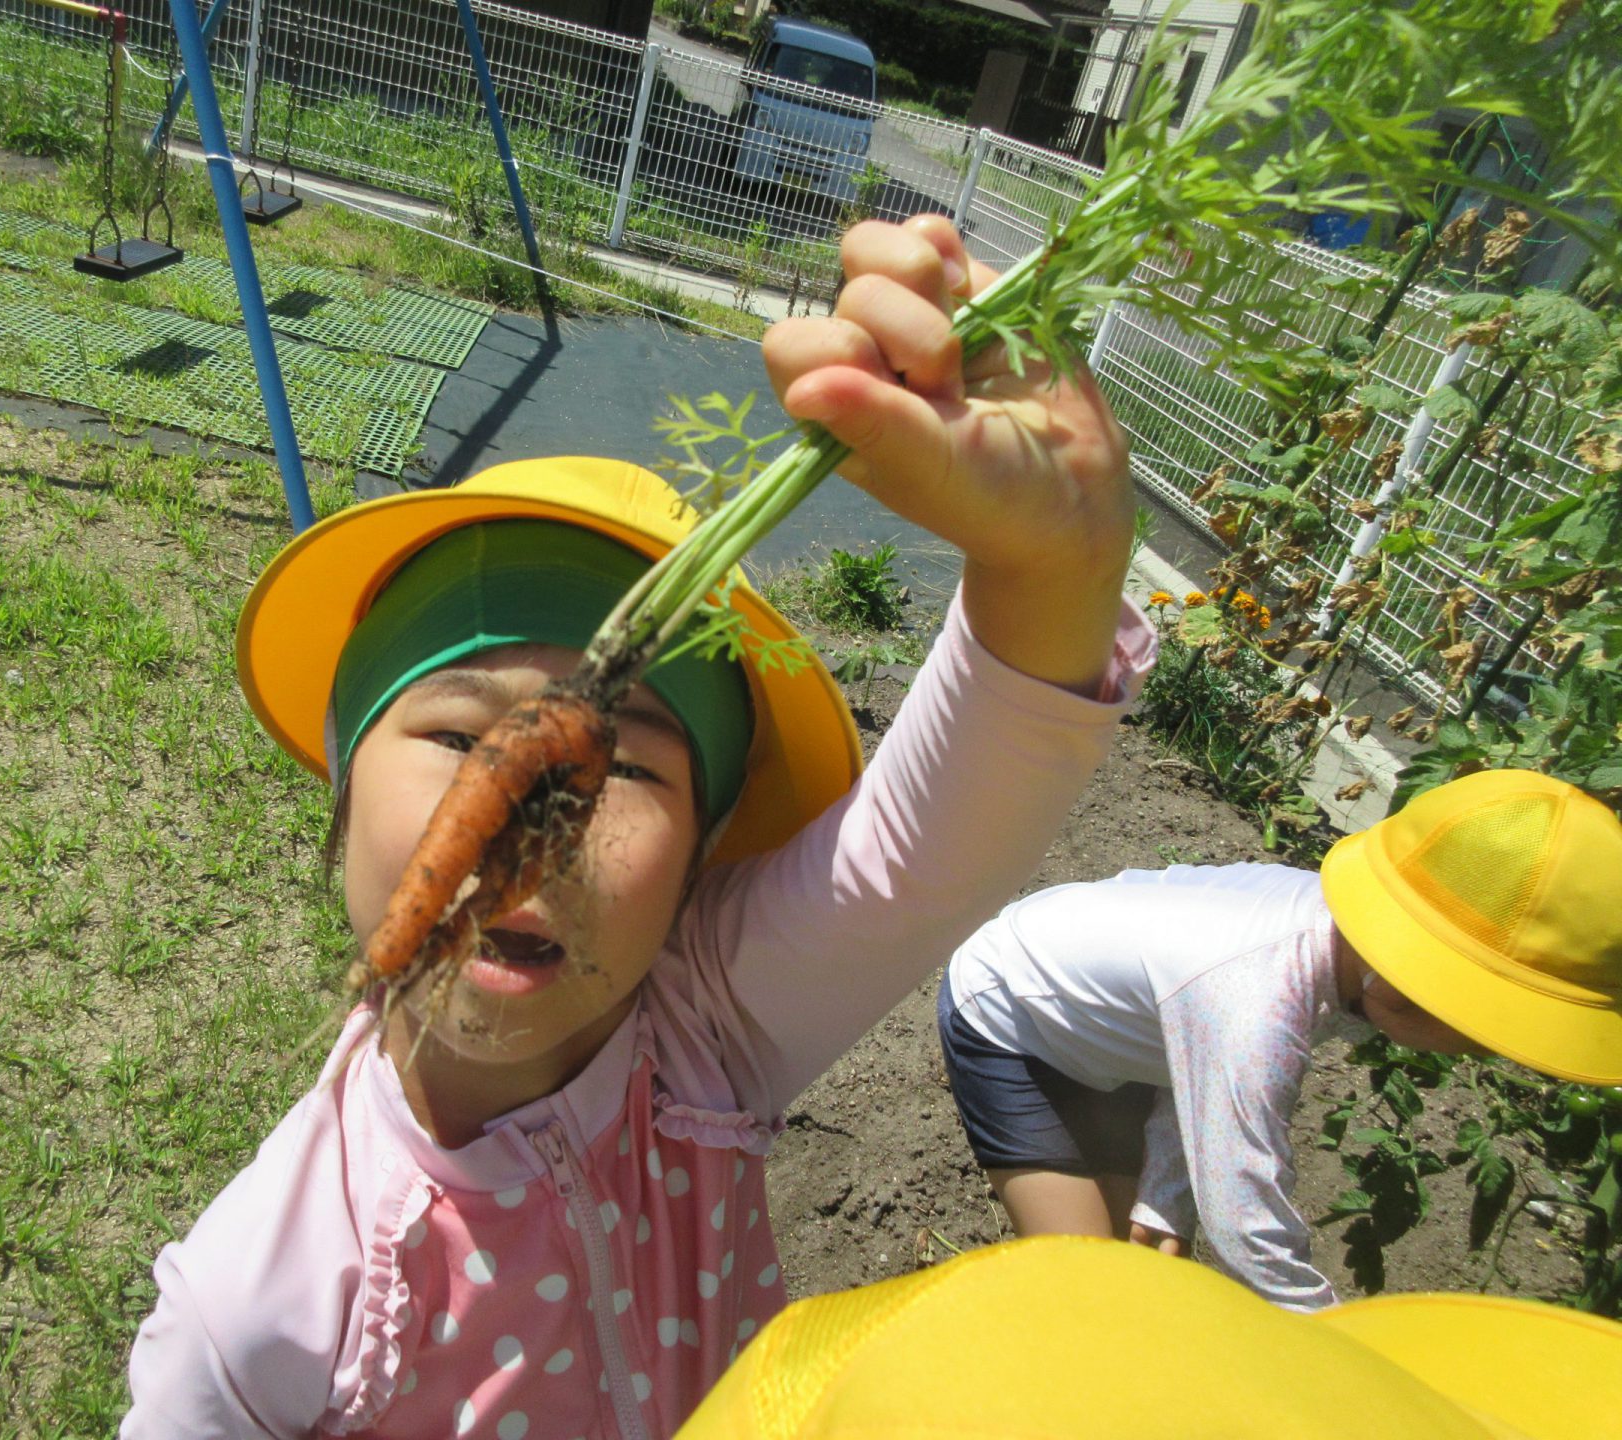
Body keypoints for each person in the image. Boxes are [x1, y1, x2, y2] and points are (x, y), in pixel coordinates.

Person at [118, 213, 1154, 1439]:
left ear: (703, 861)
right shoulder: (258, 1310)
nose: (532, 820)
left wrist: (1057, 567)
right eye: (456, 737)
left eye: (625, 769)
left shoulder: (704, 1029)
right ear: (342, 793)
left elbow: (918, 862)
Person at [936, 768, 1622, 1310]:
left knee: (1136, 1262)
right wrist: (1330, 1344)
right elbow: (1243, 1218)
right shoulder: (1258, 995)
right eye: (1480, 1031)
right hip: (1012, 1018)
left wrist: (1165, 1198)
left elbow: (1195, 1060)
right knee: (1090, 1285)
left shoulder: (1331, 941)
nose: (1484, 1049)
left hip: (1128, 1032)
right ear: (1405, 990)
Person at [676, 1235, 1622, 1440]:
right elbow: (1237, 1188)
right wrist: (1282, 1338)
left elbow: (1180, 1078)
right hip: (1003, 1021)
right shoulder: (1259, 999)